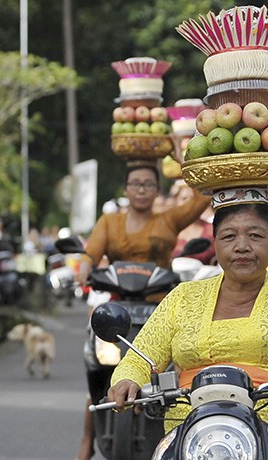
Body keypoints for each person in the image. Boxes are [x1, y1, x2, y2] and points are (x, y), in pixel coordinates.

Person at [108, 200, 268, 459]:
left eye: (255, 235)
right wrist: (128, 379)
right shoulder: (184, 296)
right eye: (229, 236)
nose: (242, 246)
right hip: (192, 439)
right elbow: (140, 355)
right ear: (215, 245)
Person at [75, 163, 210, 460]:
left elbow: (202, 198)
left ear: (157, 190)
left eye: (148, 184)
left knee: (176, 369)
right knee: (96, 370)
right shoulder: (109, 221)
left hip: (160, 307)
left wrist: (183, 162)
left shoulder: (169, 219)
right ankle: (86, 444)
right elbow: (91, 252)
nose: (141, 189)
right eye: (135, 184)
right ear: (126, 189)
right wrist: (84, 267)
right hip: (116, 308)